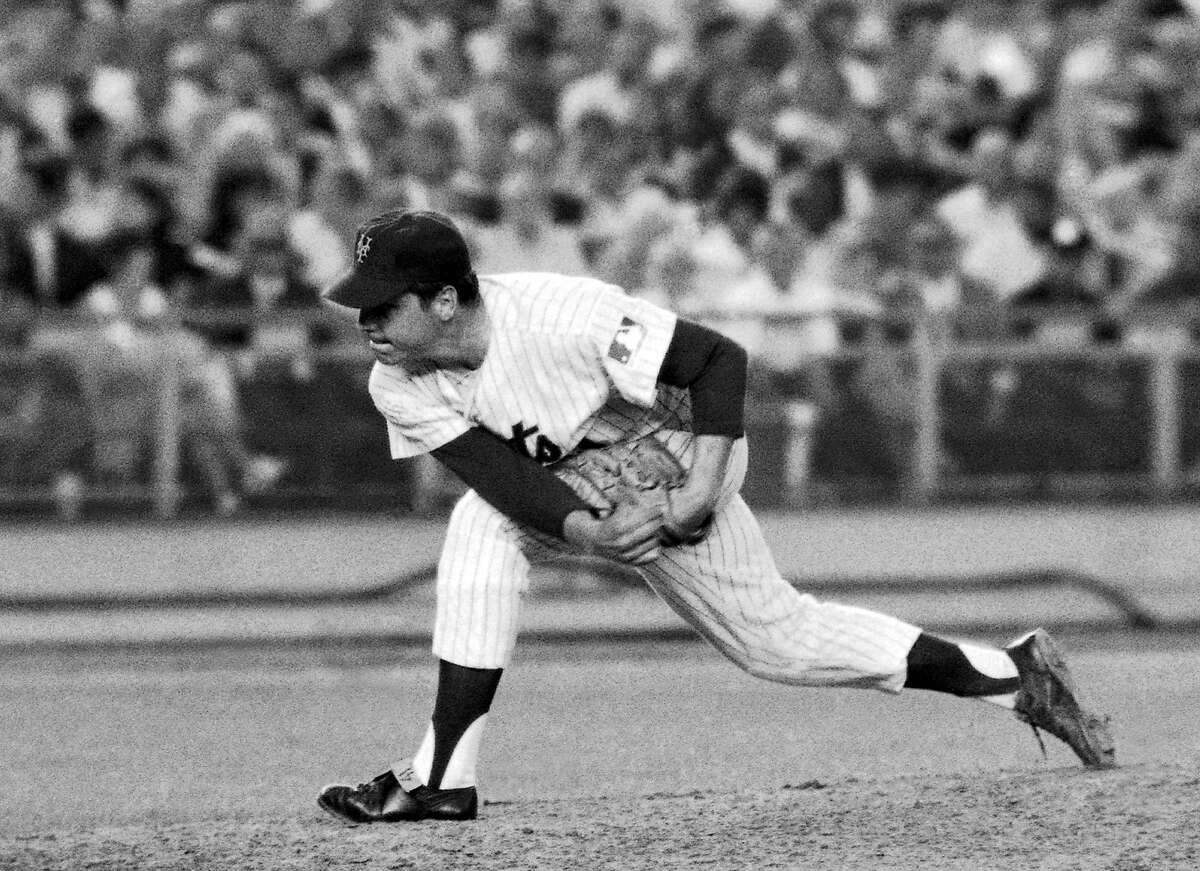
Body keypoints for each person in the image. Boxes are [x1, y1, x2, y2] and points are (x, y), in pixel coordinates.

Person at [315, 209, 1114, 824]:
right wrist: (590, 531)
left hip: (683, 452)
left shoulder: (560, 313)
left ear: (446, 300)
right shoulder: (401, 382)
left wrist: (698, 490)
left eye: (383, 306)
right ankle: (445, 775)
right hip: (576, 485)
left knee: (780, 641)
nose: (368, 325)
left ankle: (1012, 676)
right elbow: (497, 475)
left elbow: (716, 361)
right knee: (481, 524)